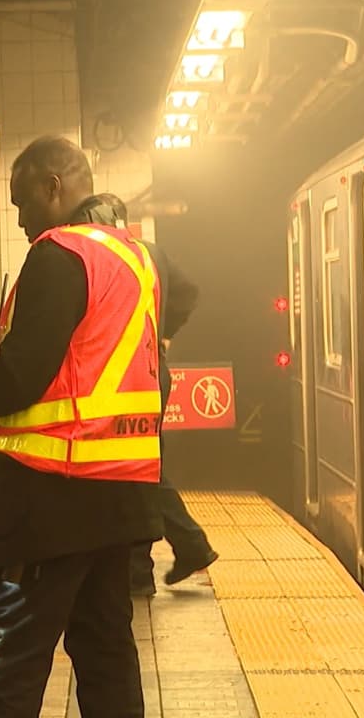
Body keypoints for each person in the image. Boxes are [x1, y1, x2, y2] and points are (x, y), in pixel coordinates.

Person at [0, 136, 161, 718]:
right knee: (106, 655)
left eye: (21, 201)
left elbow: (21, 378)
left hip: (49, 494)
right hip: (120, 494)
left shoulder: (58, 256)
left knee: (7, 666)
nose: (21, 218)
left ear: (54, 187)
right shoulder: (132, 259)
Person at [80, 196, 219, 596]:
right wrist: (164, 333)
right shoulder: (149, 255)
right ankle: (152, 563)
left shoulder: (112, 258)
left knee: (139, 470)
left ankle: (184, 547)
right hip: (151, 370)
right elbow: (189, 292)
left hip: (129, 379)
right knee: (139, 468)